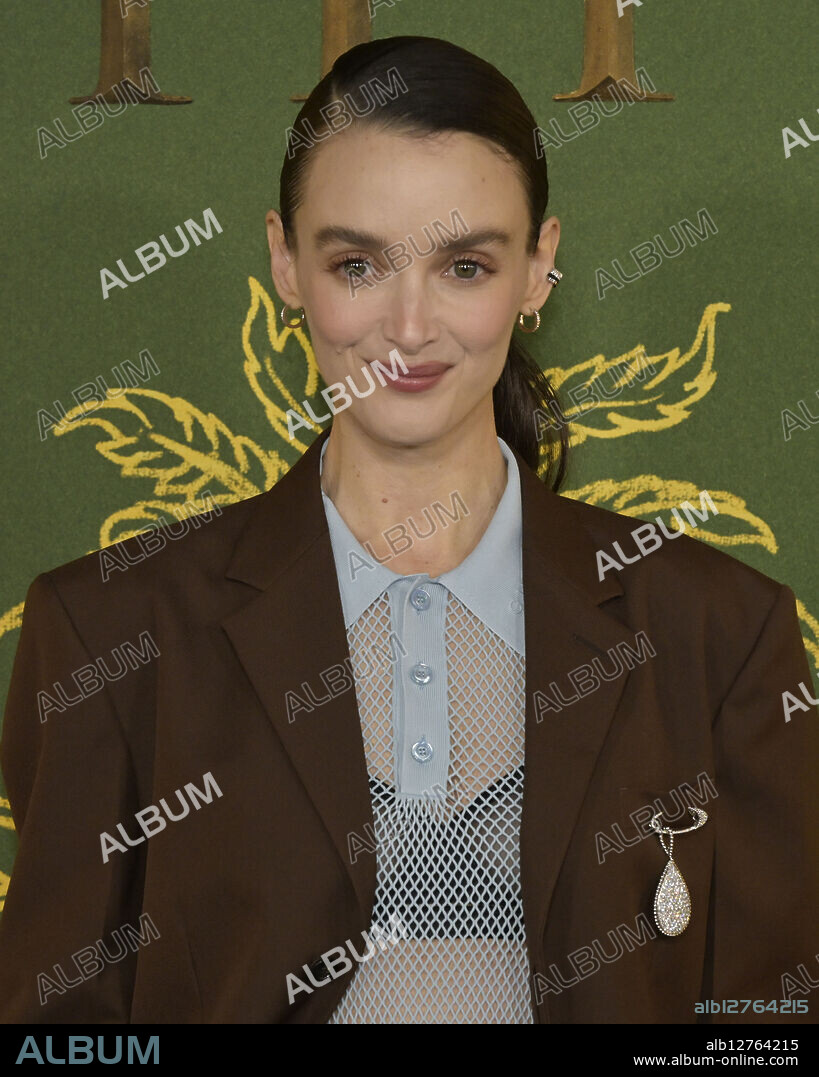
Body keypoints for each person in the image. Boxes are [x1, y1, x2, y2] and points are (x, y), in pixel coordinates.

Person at [0, 35, 815, 1026]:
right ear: (284, 264)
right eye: (358, 263)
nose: (410, 325)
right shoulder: (108, 632)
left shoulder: (721, 634)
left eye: (465, 265)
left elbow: (767, 1030)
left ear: (539, 269)